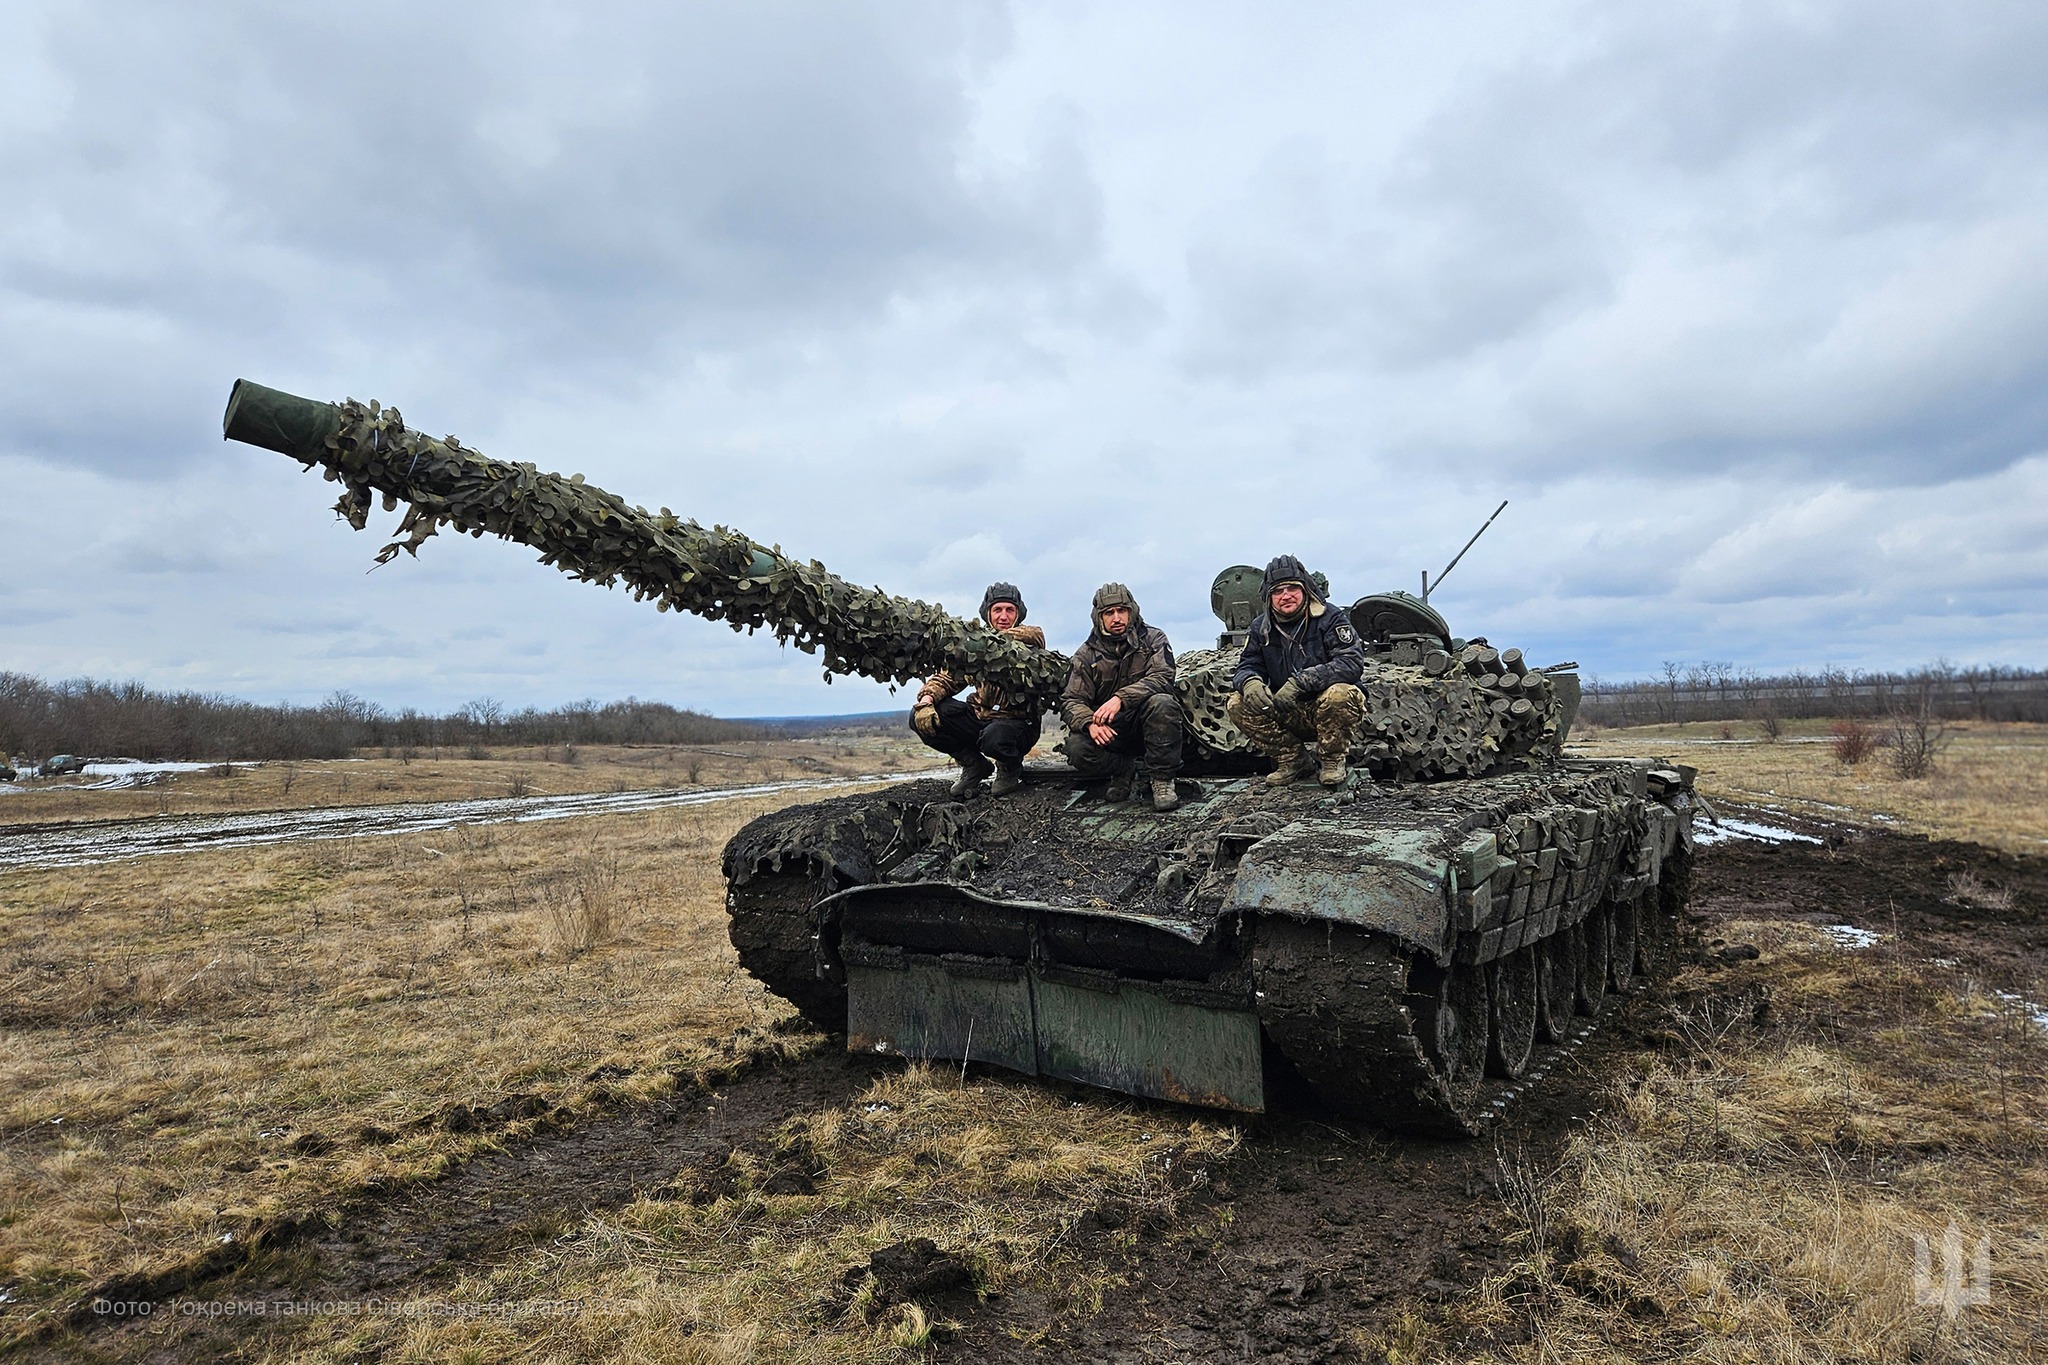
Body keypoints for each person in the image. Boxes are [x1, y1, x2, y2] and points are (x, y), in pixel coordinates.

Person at [1228, 554, 1366, 787]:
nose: (1286, 596)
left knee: (1341, 694)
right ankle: (1293, 760)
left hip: (1324, 707)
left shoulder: (1330, 618)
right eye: (1277, 591)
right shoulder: (1261, 627)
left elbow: (1351, 662)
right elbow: (1247, 664)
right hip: (1285, 708)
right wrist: (1250, 681)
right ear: (1268, 597)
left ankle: (1332, 760)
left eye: (1292, 588)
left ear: (1305, 589)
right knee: (1237, 702)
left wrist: (1301, 682)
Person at [910, 582, 1047, 797]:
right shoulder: (973, 647)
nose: (1003, 616)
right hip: (981, 719)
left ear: (1018, 614)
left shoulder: (1029, 642)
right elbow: (947, 678)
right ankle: (974, 765)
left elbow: (1035, 635)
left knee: (995, 737)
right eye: (997, 610)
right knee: (922, 716)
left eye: (1009, 610)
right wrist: (926, 700)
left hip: (1016, 725)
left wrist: (989, 642)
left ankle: (1009, 767)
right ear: (987, 613)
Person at [1059, 583, 1185, 812]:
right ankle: (1121, 770)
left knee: (1163, 703)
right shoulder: (1085, 655)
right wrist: (1088, 724)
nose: (1116, 618)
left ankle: (1162, 780)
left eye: (1121, 611)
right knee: (1076, 747)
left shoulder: (1153, 640)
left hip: (1145, 723)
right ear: (1099, 617)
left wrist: (1121, 698)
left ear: (1131, 611)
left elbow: (1162, 677)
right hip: (1110, 732)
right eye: (1109, 613)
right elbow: (1071, 700)